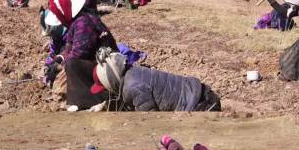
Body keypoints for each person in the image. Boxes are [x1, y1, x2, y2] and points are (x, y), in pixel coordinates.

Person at [44, 0, 118, 109]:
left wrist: (59, 66)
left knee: (71, 64)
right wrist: (59, 58)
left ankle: (89, 100)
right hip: (99, 63)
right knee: (68, 63)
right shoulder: (76, 22)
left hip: (108, 67)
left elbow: (79, 53)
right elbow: (69, 47)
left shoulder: (83, 23)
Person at [91, 49, 221, 111]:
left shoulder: (130, 88)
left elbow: (151, 120)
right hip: (200, 90)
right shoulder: (134, 71)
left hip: (200, 106)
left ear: (111, 82)